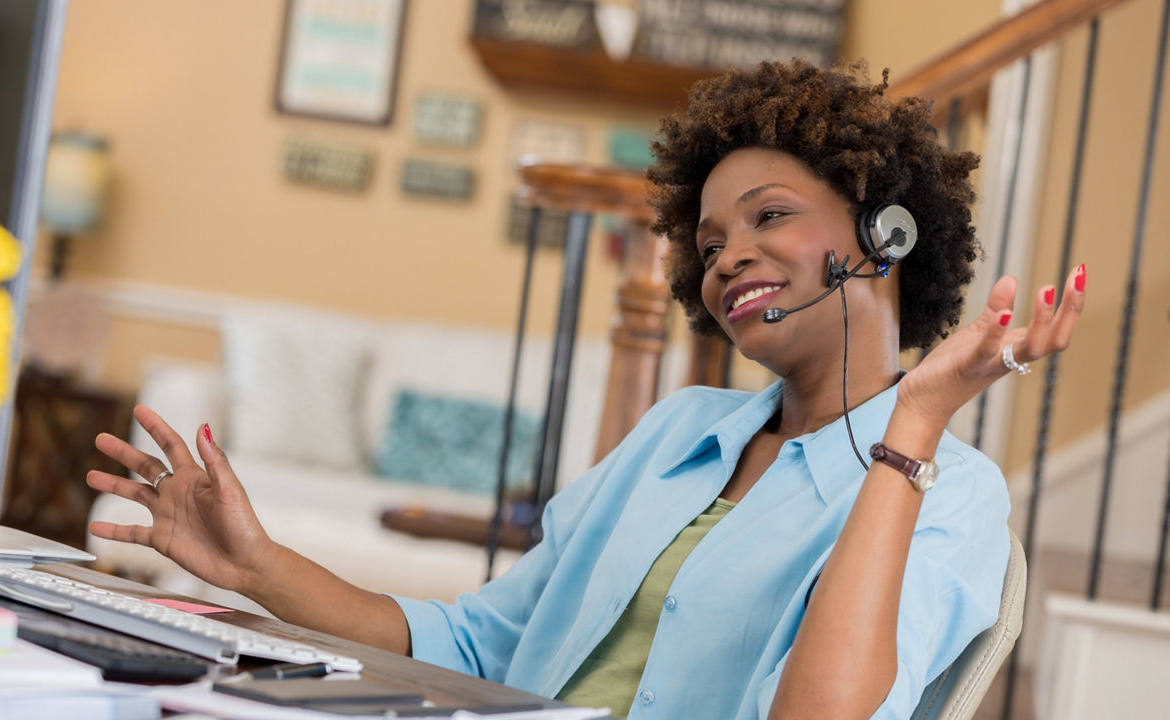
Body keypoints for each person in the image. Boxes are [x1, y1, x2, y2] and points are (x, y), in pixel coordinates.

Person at [86, 59, 1085, 719]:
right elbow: (477, 643)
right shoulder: (678, 433)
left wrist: (906, 426)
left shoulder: (942, 491)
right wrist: (254, 563)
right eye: (707, 244)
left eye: (767, 216)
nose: (726, 257)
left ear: (886, 234)